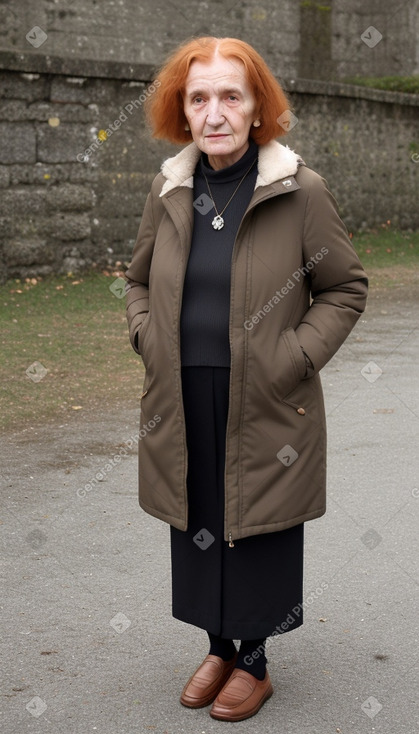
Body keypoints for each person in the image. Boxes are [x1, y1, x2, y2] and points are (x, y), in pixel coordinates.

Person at [124, 36, 368, 722]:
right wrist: (146, 337)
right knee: (199, 518)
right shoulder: (169, 188)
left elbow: (344, 288)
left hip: (267, 395)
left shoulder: (298, 190)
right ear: (183, 109)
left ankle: (253, 660)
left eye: (231, 95)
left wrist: (294, 356)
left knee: (255, 524)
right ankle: (216, 644)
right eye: (198, 98)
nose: (215, 111)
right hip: (181, 392)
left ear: (257, 105)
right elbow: (138, 280)